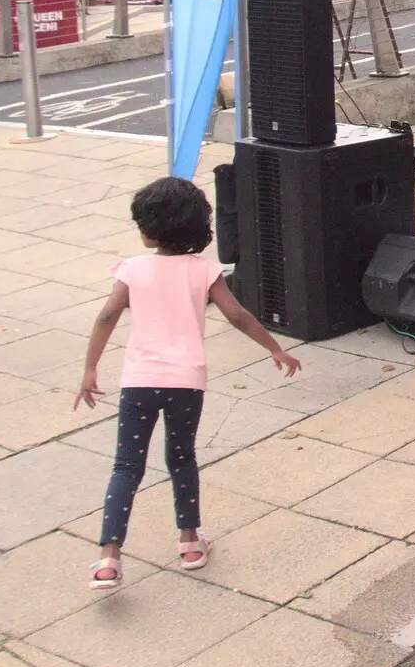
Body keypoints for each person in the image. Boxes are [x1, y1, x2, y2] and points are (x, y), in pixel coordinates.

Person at [75, 177, 301, 589]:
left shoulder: (132, 269)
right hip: (185, 384)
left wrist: (90, 369)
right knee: (181, 459)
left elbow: (106, 316)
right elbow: (237, 315)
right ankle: (190, 542)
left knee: (127, 465)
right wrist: (275, 348)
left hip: (139, 382)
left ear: (147, 228)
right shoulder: (204, 271)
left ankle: (108, 558)